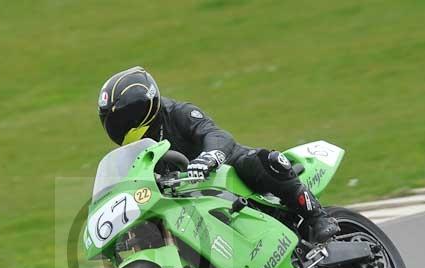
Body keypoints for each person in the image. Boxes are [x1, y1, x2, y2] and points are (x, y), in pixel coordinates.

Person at [97, 66, 339, 243]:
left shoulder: (179, 112)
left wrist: (210, 156)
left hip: (224, 172)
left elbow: (215, 134)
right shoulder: (133, 152)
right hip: (189, 202)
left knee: (260, 161)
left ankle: (317, 217)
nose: (115, 128)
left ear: (138, 111)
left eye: (118, 120)